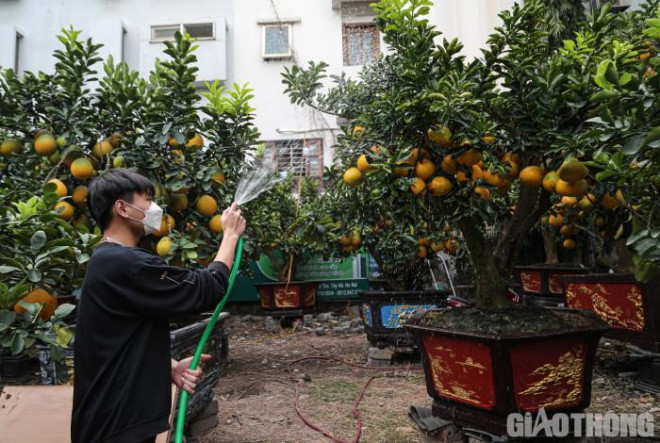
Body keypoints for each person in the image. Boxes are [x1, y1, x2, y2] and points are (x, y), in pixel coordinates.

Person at [72, 168, 246, 443]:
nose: (155, 209)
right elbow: (206, 289)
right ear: (122, 208)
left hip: (114, 422)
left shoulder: (108, 262)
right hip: (116, 428)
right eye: (147, 200)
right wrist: (230, 236)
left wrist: (169, 367)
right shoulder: (123, 264)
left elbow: (115, 339)